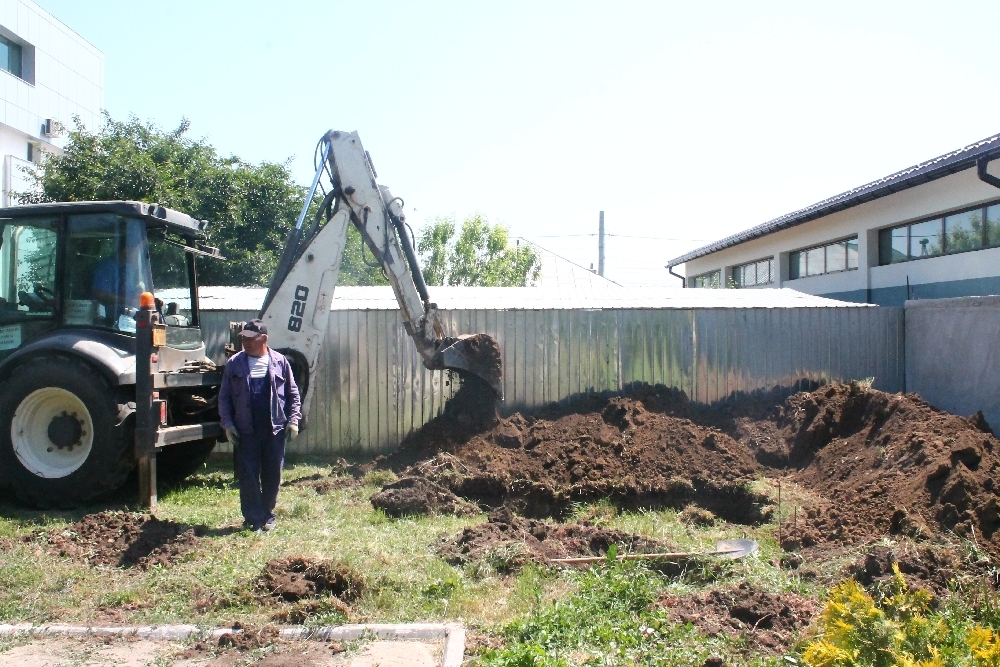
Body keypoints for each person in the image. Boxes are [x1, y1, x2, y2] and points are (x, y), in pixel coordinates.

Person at [218, 319, 301, 532]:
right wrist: (228, 425)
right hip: (246, 430)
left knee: (273, 474)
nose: (244, 341)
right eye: (243, 338)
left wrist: (293, 420)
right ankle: (253, 519)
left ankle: (268, 516)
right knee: (249, 475)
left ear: (263, 338)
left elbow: (293, 393)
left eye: (249, 338)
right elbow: (224, 397)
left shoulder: (280, 362)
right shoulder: (234, 364)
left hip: (274, 428)